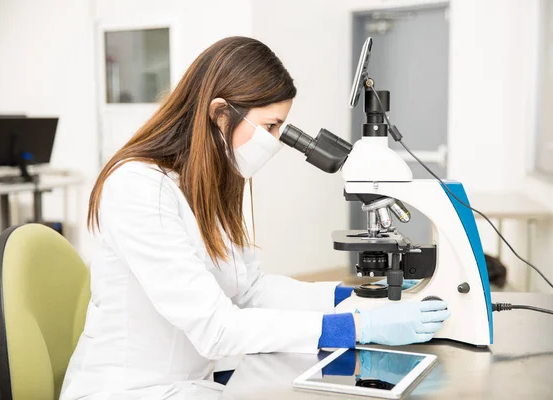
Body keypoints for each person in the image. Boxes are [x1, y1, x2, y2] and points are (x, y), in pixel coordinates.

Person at [60, 36, 450, 400]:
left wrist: (354, 295)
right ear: (219, 114)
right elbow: (216, 328)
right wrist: (359, 327)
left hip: (190, 382)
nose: (278, 140)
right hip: (130, 390)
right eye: (271, 126)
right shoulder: (138, 187)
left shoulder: (212, 181)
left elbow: (250, 291)